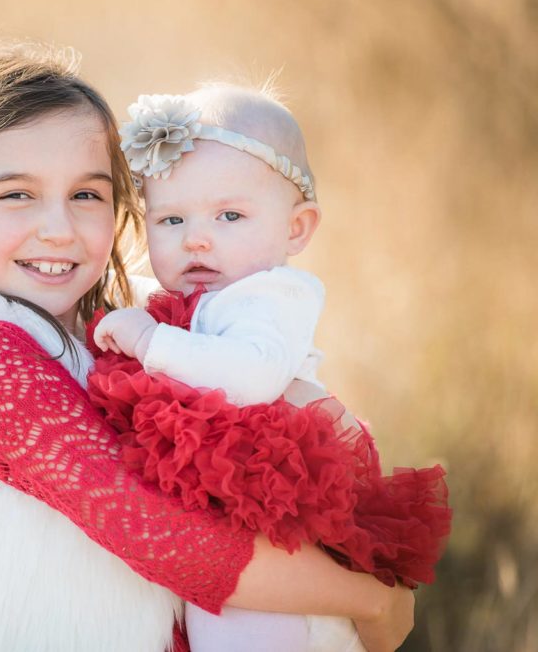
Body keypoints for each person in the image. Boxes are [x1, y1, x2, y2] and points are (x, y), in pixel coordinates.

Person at [0, 40, 415, 651]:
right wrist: (373, 602)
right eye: (16, 194)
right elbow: (167, 537)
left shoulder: (101, 328)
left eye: (87, 195)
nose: (59, 229)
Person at [92, 86, 450, 651]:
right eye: (171, 219)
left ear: (296, 229)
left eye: (230, 214)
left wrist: (150, 340)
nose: (197, 237)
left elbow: (251, 374)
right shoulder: (192, 293)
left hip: (275, 513)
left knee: (248, 628)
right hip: (230, 529)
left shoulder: (274, 295)